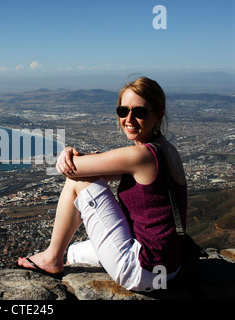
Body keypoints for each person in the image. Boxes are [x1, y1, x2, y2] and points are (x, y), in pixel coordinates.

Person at [16, 76, 187, 292]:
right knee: (75, 254)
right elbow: (103, 167)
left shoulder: (142, 155)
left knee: (77, 181)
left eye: (140, 112)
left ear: (158, 116)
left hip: (143, 269)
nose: (129, 119)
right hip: (169, 267)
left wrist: (68, 152)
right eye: (123, 111)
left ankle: (51, 257)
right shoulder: (166, 149)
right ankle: (60, 259)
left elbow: (72, 169)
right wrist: (77, 155)